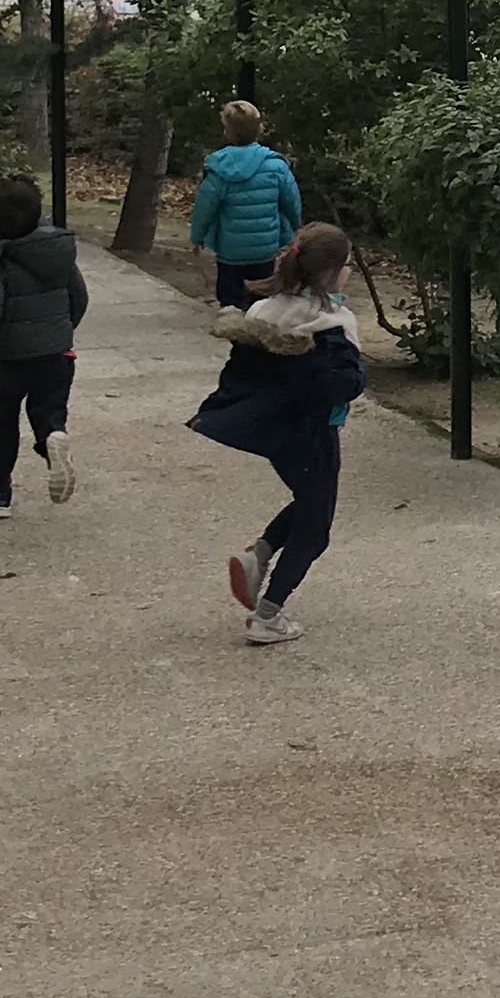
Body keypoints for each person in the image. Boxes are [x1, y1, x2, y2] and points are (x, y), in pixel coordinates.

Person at [189, 221, 367, 647]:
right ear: (332, 272)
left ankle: (261, 553)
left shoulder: (261, 312)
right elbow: (344, 384)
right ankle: (268, 614)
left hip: (277, 432)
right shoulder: (331, 323)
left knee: (309, 500)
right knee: (316, 528)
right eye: (347, 265)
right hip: (315, 430)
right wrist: (357, 368)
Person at [0, 178, 85, 514]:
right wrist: (61, 330)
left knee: (2, 418)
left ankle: (0, 493)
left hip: (11, 359)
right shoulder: (58, 251)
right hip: (57, 354)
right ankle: (51, 436)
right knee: (48, 407)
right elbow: (79, 297)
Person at [188, 101, 303, 309]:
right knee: (261, 298)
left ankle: (234, 326)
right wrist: (296, 226)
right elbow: (292, 201)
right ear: (259, 130)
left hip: (230, 252)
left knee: (230, 301)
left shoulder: (219, 168)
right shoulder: (275, 166)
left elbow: (205, 208)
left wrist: (197, 237)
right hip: (265, 249)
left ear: (227, 132)